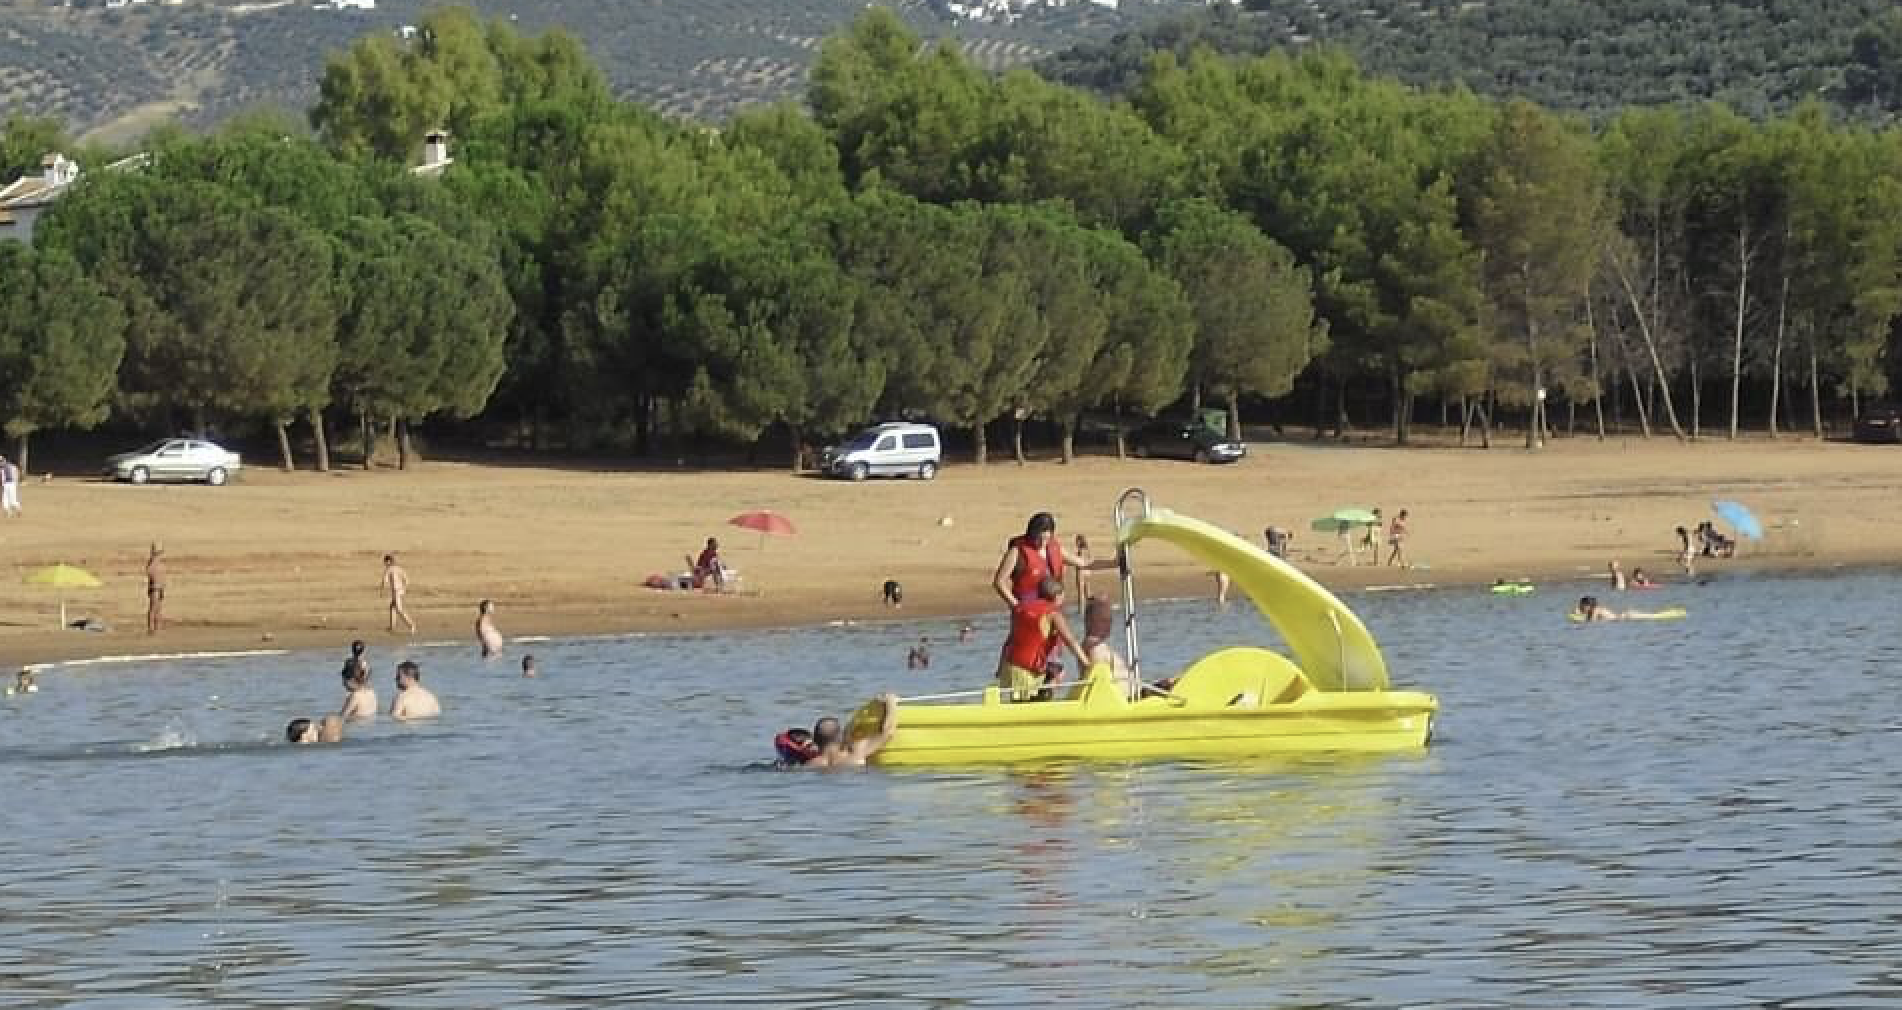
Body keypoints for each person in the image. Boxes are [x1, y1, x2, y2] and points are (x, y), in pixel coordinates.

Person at [990, 512, 1114, 608]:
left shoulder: (1055, 549)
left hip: (1052, 610)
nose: (1042, 543)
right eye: (1038, 539)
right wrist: (1016, 606)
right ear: (1031, 534)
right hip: (1027, 609)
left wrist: (1113, 563)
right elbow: (999, 582)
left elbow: (1084, 563)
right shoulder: (1017, 552)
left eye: (1046, 539)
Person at [997, 577, 1089, 702]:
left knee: (1056, 670)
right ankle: (1044, 705)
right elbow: (1070, 640)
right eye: (1062, 596)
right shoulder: (1052, 613)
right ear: (1057, 596)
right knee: (1032, 700)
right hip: (1029, 669)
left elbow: (1010, 640)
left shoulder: (1020, 609)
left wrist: (1000, 668)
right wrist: (1086, 663)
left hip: (1011, 666)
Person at [803, 693, 900, 769]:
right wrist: (890, 702)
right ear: (840, 737)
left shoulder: (809, 765)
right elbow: (888, 732)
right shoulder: (856, 753)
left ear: (815, 741)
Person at [1081, 597, 1136, 698]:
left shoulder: (1096, 646)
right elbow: (1101, 686)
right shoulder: (1095, 649)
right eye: (1103, 620)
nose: (1109, 624)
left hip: (1132, 695)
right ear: (1089, 622)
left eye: (1110, 620)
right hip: (1125, 700)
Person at [383, 554, 416, 634]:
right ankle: (392, 627)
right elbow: (407, 580)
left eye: (385, 562)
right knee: (392, 607)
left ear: (389, 561)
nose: (385, 563)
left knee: (399, 609)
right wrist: (403, 588)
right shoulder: (399, 568)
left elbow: (384, 581)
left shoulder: (389, 569)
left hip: (396, 591)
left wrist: (382, 589)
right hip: (400, 591)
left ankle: (411, 625)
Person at [144, 543, 166, 635]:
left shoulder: (158, 562)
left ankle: (157, 627)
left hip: (160, 587)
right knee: (153, 608)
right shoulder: (152, 563)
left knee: (158, 608)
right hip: (155, 588)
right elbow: (150, 573)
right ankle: (151, 628)